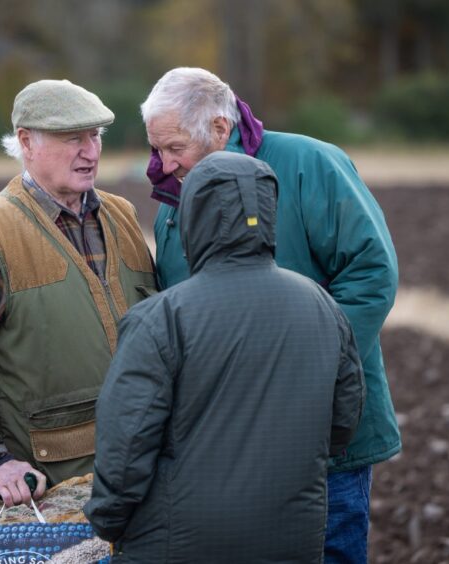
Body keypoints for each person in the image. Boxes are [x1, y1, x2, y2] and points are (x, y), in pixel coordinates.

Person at [141, 67, 400, 563]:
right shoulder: (175, 196)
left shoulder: (310, 164)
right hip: (225, 440)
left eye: (174, 147)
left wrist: (304, 375)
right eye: (157, 149)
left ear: (220, 128)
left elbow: (372, 274)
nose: (163, 163)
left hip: (324, 436)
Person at [85, 151, 365, 562]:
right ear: (270, 213)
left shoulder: (161, 318)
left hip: (177, 543)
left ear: (193, 218)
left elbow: (126, 448)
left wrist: (107, 521)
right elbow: (343, 422)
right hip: (292, 539)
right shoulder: (322, 306)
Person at [0, 79, 156, 507]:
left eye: (95, 136)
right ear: (26, 142)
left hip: (143, 479)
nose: (91, 151)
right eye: (73, 138)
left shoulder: (123, 216)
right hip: (53, 496)